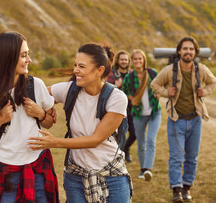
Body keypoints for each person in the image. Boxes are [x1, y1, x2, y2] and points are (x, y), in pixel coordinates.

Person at [29, 43, 133, 203]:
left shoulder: (116, 98)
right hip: (76, 176)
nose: (75, 70)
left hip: (112, 175)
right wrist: (45, 110)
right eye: (75, 65)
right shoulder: (68, 89)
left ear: (99, 70)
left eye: (82, 66)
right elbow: (35, 94)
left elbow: (95, 139)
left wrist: (55, 142)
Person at [0, 31, 59, 203]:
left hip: (38, 165)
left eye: (28, 54)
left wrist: (40, 114)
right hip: (5, 169)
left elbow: (48, 123)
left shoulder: (36, 85)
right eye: (24, 55)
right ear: (8, 58)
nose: (29, 60)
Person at [151, 36, 216, 203]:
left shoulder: (200, 69)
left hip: (195, 120)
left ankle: (187, 187)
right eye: (185, 49)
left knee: (192, 157)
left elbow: (213, 82)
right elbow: (155, 84)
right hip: (176, 120)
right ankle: (176, 190)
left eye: (191, 49)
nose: (188, 52)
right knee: (176, 157)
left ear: (195, 52)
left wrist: (205, 91)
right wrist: (167, 93)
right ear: (179, 51)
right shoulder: (170, 70)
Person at [122, 49, 161, 181]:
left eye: (140, 59)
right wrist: (130, 97)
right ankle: (143, 169)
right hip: (138, 114)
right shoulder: (129, 77)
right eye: (136, 59)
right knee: (141, 143)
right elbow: (123, 92)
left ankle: (148, 169)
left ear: (144, 60)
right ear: (132, 61)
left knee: (150, 140)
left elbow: (162, 85)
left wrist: (159, 92)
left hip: (154, 112)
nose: (138, 61)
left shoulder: (152, 73)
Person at [107, 50, 135, 162]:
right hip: (117, 109)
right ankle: (118, 155)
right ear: (117, 60)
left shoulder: (133, 73)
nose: (124, 61)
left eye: (126, 60)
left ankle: (125, 149)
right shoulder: (112, 74)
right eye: (122, 59)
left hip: (132, 108)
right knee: (120, 134)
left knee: (134, 133)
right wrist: (116, 85)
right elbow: (105, 89)